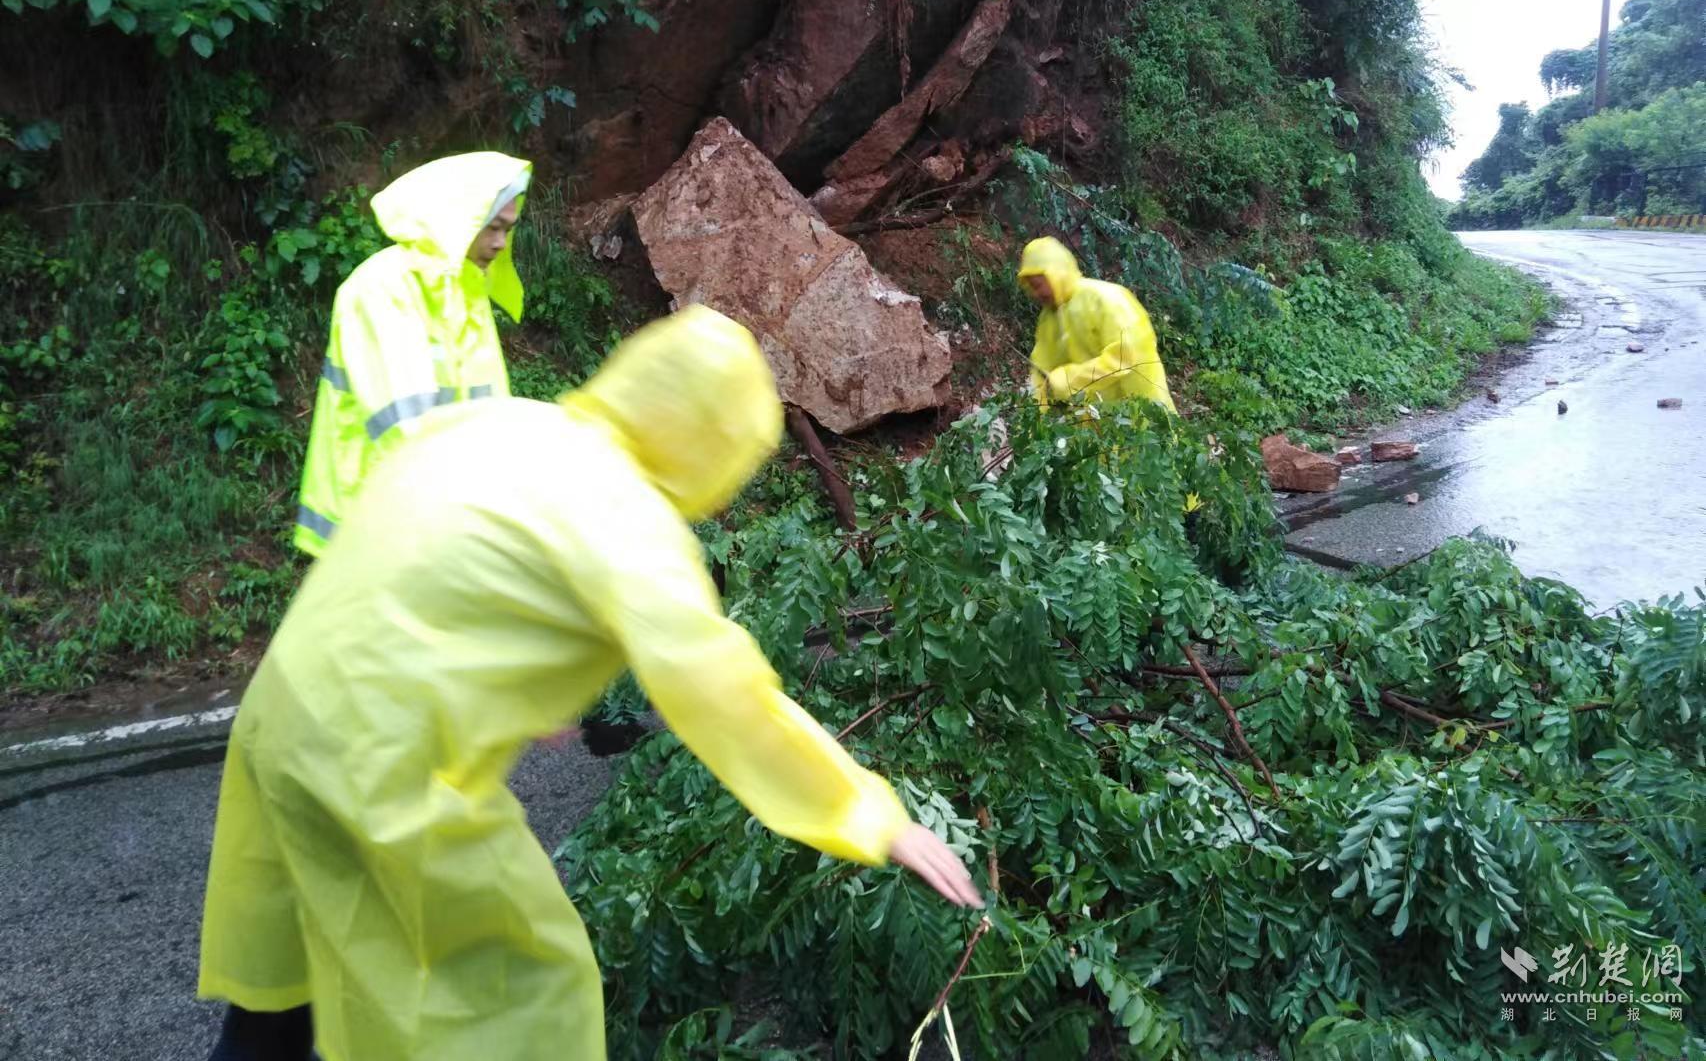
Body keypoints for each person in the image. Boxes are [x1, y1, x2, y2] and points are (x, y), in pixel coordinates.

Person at [198, 305, 983, 1061]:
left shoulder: (503, 425)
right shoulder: (629, 519)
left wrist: (512, 681)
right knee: (515, 996)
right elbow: (724, 692)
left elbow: (427, 560)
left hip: (281, 716)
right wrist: (868, 813)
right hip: (383, 762)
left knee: (288, 984)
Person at [293, 151, 532, 556]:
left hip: (435, 530)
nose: (499, 244)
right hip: (375, 537)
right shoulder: (382, 288)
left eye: (507, 230)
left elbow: (489, 413)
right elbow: (405, 427)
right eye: (492, 227)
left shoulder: (465, 293)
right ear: (461, 220)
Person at [1016, 236, 1176, 411]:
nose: (1035, 293)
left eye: (1038, 284)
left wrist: (1068, 380)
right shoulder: (1050, 317)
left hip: (1141, 410)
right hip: (1098, 420)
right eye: (1031, 287)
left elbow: (1125, 357)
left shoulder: (1106, 299)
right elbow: (1042, 369)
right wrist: (1034, 417)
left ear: (1056, 274)